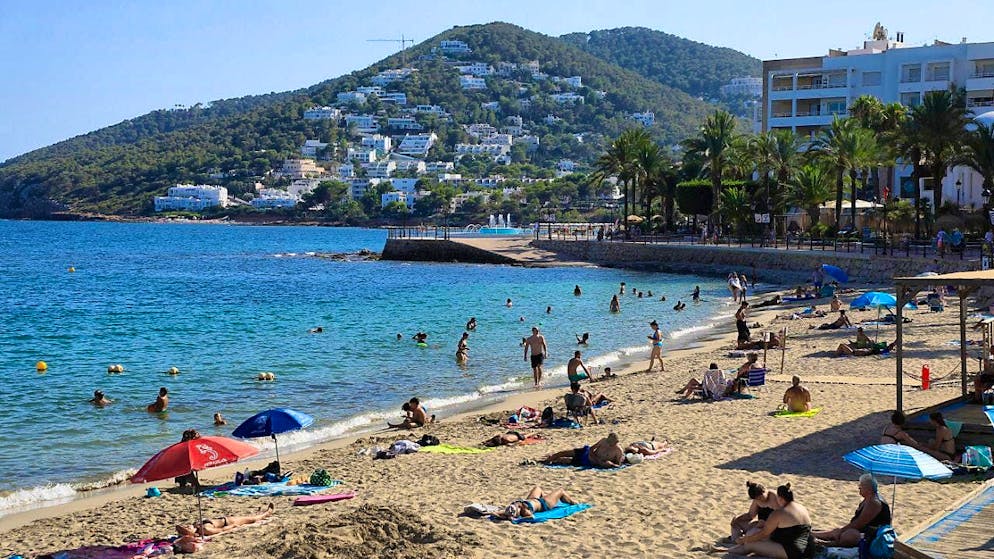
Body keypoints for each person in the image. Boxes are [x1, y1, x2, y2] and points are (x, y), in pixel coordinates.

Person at [726, 483, 814, 559]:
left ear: (779, 498)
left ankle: (723, 549)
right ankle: (734, 543)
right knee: (748, 534)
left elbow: (764, 533)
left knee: (750, 544)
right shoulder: (802, 507)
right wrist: (738, 519)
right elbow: (751, 515)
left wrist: (746, 539)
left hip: (794, 551)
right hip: (808, 547)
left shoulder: (778, 512)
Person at [813, 474, 891, 548]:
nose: (859, 488)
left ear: (868, 489)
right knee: (838, 532)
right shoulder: (868, 499)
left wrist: (841, 531)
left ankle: (828, 543)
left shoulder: (874, 503)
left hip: (874, 535)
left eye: (861, 486)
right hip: (864, 531)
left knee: (849, 535)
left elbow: (859, 523)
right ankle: (817, 534)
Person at [175, 503, 275, 540]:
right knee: (252, 519)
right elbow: (221, 530)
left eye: (186, 526)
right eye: (187, 528)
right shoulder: (205, 529)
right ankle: (267, 513)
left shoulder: (197, 526)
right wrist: (233, 526)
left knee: (249, 517)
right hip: (228, 521)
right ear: (193, 533)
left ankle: (263, 513)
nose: (187, 526)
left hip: (223, 518)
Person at [542, 433, 624, 469]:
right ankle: (547, 460)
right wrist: (595, 458)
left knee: (565, 460)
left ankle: (552, 459)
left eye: (611, 443)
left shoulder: (618, 451)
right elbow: (592, 449)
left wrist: (607, 464)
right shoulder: (603, 441)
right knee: (564, 453)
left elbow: (617, 464)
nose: (609, 445)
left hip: (589, 462)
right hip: (586, 452)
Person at [497, 486, 576, 520]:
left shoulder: (512, 509)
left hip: (533, 500)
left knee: (537, 488)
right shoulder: (524, 511)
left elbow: (497, 513)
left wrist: (489, 512)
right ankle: (574, 504)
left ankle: (547, 496)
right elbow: (531, 517)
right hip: (544, 504)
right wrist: (515, 519)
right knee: (561, 491)